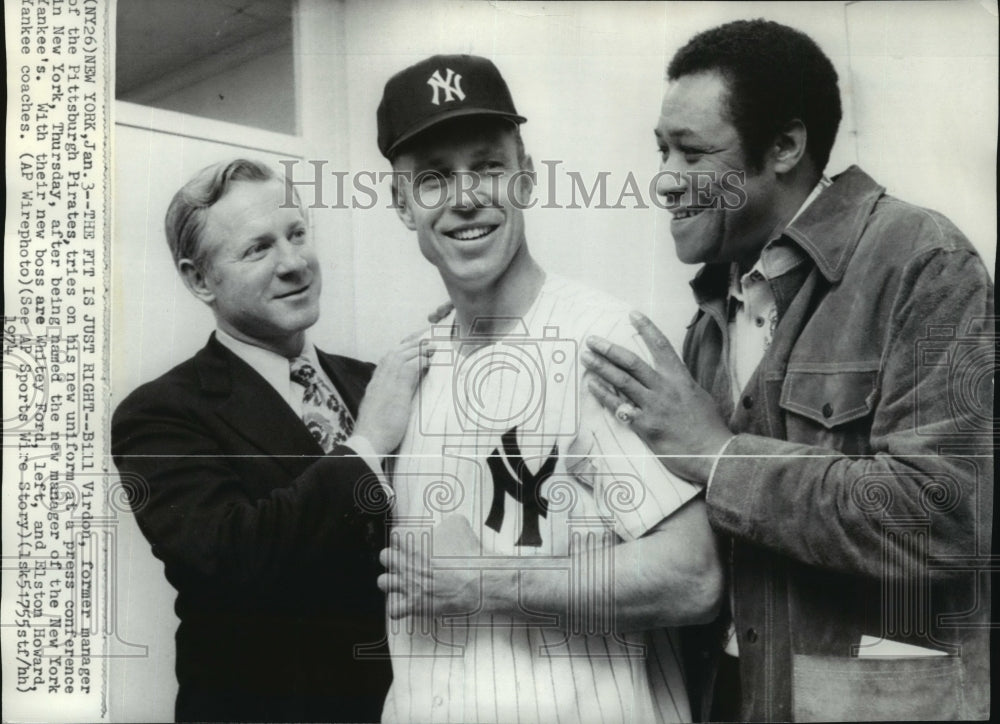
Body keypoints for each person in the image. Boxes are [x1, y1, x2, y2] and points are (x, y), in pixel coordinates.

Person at [581, 19, 993, 722]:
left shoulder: (921, 259)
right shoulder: (711, 317)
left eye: (692, 153)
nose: (666, 184)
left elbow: (949, 516)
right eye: (661, 151)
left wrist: (718, 457)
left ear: (785, 146)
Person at [373, 54, 722, 724]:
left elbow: (694, 576)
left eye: (488, 166)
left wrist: (493, 583)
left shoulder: (597, 341)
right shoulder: (411, 368)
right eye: (435, 179)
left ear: (526, 178)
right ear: (400, 202)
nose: (466, 197)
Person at [111, 159, 429, 722]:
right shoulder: (159, 414)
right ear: (198, 279)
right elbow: (233, 559)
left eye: (297, 233)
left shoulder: (371, 382)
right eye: (257, 249)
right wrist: (368, 445)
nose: (293, 263)